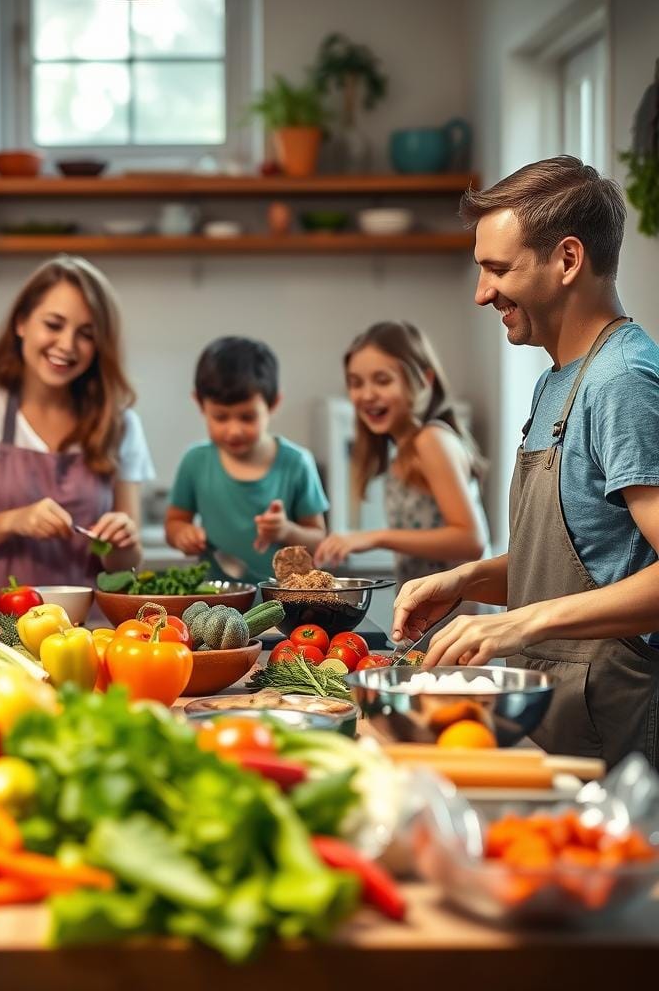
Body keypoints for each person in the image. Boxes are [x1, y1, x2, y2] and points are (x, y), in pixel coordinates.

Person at [393, 155, 659, 767]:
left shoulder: (621, 381)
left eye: (498, 269)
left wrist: (519, 624)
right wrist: (469, 580)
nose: (482, 292)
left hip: (618, 738)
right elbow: (589, 559)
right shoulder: (558, 382)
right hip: (559, 721)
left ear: (568, 260)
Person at [0, 256, 153, 611]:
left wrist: (125, 544)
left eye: (86, 334)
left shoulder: (120, 424)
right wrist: (13, 520)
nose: (67, 345)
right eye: (54, 324)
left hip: (85, 634)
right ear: (22, 323)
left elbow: (126, 569)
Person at [313, 321, 489, 586]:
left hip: (459, 615)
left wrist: (375, 537)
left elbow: (471, 541)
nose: (367, 394)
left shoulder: (431, 440)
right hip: (429, 613)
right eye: (355, 383)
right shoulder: (403, 451)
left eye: (382, 380)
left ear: (424, 380)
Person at [165, 336, 328, 584]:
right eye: (220, 417)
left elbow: (319, 541)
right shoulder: (195, 462)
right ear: (200, 403)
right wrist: (182, 535)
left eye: (247, 417)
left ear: (273, 404)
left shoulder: (297, 464)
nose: (234, 431)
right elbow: (174, 523)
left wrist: (286, 531)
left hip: (284, 605)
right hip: (215, 602)